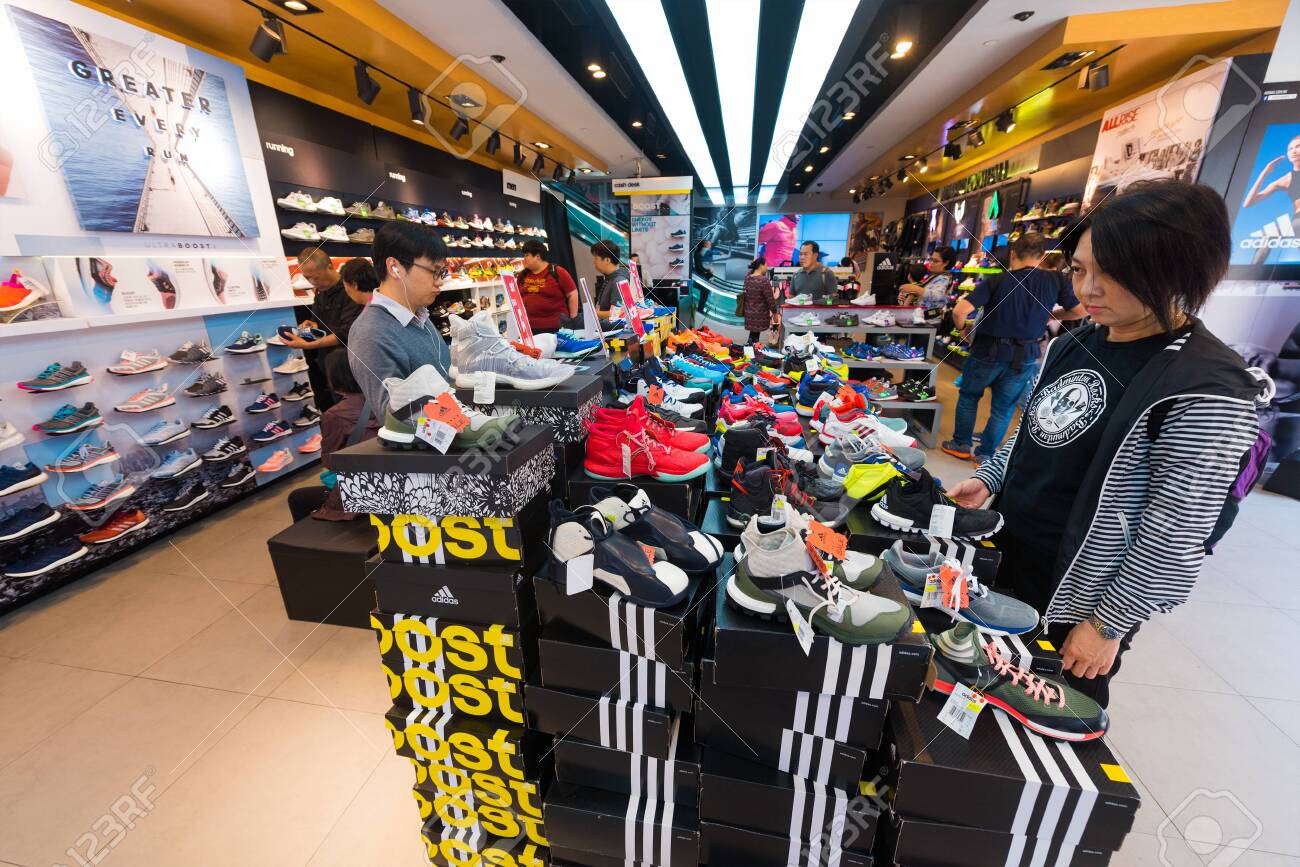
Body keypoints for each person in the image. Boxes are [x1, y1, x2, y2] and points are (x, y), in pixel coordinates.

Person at [946, 180, 1269, 708]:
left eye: (1111, 273)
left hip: (1083, 593)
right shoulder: (1074, 341)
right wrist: (990, 478)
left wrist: (1108, 621)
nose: (1088, 289)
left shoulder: (1208, 386)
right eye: (1078, 270)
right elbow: (1033, 428)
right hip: (1007, 551)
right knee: (978, 681)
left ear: (1173, 269)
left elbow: (1178, 528)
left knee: (1049, 713)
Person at [942, 232, 1087, 463]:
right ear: (1041, 256)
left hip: (987, 351)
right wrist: (1053, 314)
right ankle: (986, 454)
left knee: (969, 397)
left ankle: (961, 444)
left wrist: (963, 331)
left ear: (1012, 254)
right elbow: (1081, 311)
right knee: (1004, 407)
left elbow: (960, 311)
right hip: (1026, 355)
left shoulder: (998, 280)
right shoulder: (1056, 280)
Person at [348, 221, 452, 419]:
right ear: (394, 267)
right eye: (434, 271)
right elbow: (398, 419)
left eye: (443, 272)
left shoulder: (420, 316)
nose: (440, 281)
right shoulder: (370, 334)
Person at [286, 350, 379, 522]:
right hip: (393, 485)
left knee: (297, 498)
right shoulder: (385, 399)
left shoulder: (335, 415)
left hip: (362, 493)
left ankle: (312, 545)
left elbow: (330, 461)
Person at [284, 249, 364, 410]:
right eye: (307, 277)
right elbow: (319, 323)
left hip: (353, 368)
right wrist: (311, 325)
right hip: (331, 368)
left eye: (316, 276)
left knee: (358, 416)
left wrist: (307, 345)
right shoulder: (320, 293)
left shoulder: (351, 290)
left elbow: (346, 334)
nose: (312, 281)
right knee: (341, 416)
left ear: (329, 267)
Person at [517, 240, 578, 333]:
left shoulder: (558, 272)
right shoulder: (522, 275)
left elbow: (572, 294)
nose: (524, 258)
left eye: (526, 255)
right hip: (529, 328)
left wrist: (573, 320)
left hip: (556, 328)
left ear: (537, 256)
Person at [1241, 133, 1300, 214]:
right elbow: (1247, 203)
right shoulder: (1285, 180)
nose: (1294, 151)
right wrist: (1265, 173)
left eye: (1298, 146)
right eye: (1290, 149)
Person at [897, 246, 956, 311]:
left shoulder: (944, 278)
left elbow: (937, 295)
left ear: (946, 263)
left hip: (930, 319)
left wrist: (915, 288)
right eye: (931, 260)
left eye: (935, 261)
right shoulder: (934, 276)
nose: (931, 263)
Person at [590, 239, 630, 322]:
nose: (594, 262)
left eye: (596, 259)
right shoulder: (612, 277)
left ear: (607, 260)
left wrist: (593, 313)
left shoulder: (618, 280)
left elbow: (617, 314)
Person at [742, 257, 778, 344]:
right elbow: (770, 299)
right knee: (755, 338)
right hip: (759, 314)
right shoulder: (763, 280)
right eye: (766, 265)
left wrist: (754, 265)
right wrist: (775, 313)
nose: (766, 268)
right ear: (761, 265)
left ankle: (750, 349)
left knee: (753, 335)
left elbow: (750, 273)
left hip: (749, 312)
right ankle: (752, 351)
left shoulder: (747, 278)